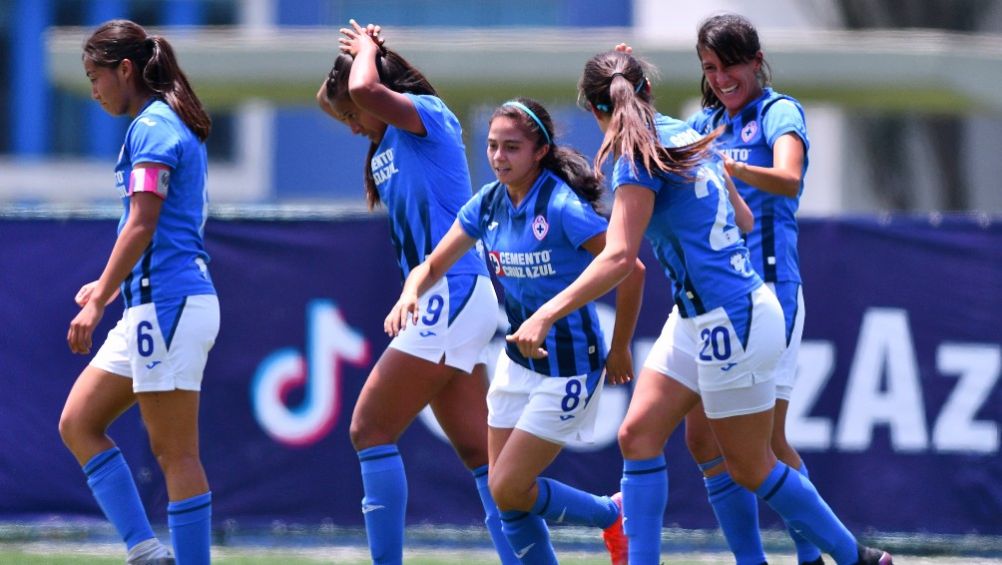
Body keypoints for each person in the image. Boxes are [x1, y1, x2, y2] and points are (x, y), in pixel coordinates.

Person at [507, 49, 893, 565]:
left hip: (729, 318)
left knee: (752, 465)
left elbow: (620, 257)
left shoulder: (636, 156)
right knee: (639, 435)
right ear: (646, 91)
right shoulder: (687, 134)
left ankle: (856, 559)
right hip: (701, 316)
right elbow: (745, 219)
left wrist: (544, 313)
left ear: (595, 108)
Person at [386, 97, 645, 565]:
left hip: (569, 368)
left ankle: (612, 514)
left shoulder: (562, 207)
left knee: (507, 486)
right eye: (492, 146)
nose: (499, 157)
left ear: (539, 152)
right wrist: (411, 292)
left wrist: (621, 346)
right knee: (503, 494)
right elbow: (432, 266)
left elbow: (633, 268)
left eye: (512, 147)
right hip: (516, 363)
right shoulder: (489, 203)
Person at [316, 20, 513, 565]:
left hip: (453, 291)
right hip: (448, 298)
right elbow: (346, 97)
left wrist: (369, 50)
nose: (353, 125)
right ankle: (595, 520)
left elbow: (360, 91)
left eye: (353, 119)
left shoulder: (428, 116)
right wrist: (354, 75)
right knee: (484, 457)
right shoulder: (385, 140)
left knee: (369, 427)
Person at [59, 19, 217, 565]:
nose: (93, 90)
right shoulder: (162, 122)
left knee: (176, 453)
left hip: (169, 304)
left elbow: (142, 223)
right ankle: (147, 553)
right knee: (78, 422)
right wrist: (112, 285)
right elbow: (150, 226)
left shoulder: (153, 126)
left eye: (94, 76)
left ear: (124, 69)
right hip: (153, 304)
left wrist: (102, 296)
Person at [684, 13, 823, 565]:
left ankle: (817, 557)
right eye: (710, 68)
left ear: (756, 61)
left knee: (764, 445)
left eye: (730, 64)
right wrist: (627, 90)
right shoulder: (705, 121)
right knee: (702, 438)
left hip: (770, 293)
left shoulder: (778, 112)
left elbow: (789, 179)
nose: (720, 78)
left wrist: (727, 167)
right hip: (717, 299)